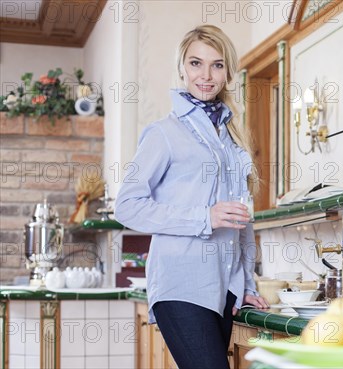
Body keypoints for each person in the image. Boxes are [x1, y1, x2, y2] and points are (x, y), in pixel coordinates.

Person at [114, 25, 269, 368]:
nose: (206, 75)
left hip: (224, 291)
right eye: (196, 63)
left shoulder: (231, 140)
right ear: (181, 67)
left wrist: (247, 284)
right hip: (181, 285)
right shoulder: (163, 134)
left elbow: (242, 220)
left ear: (228, 72)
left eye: (217, 65)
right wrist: (204, 217)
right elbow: (126, 205)